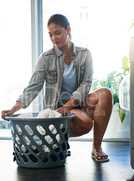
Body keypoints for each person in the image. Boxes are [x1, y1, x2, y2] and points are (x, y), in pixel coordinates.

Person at [1, 14, 112, 162]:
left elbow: (86, 84)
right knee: (85, 123)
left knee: (105, 94)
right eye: (50, 34)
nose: (54, 38)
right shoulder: (46, 58)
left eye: (57, 33)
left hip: (77, 103)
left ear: (68, 30)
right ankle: (56, 141)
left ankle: (96, 148)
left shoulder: (85, 55)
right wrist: (14, 108)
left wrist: (70, 105)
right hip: (58, 108)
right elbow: (33, 87)